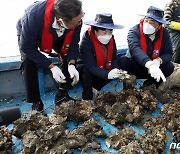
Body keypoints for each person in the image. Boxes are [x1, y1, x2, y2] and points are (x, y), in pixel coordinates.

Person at [16, 0, 84, 111]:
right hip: (33, 33)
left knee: (70, 54)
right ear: (61, 20)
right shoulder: (33, 17)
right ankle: (36, 102)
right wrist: (51, 67)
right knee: (28, 61)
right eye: (77, 22)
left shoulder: (76, 16)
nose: (80, 23)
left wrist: (72, 63)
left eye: (81, 18)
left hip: (61, 32)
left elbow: (74, 43)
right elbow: (27, 47)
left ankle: (62, 95)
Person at [118, 6, 174, 87]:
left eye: (152, 22)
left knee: (169, 67)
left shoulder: (165, 33)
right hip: (137, 65)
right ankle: (128, 85)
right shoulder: (134, 31)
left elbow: (168, 53)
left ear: (159, 25)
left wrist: (158, 61)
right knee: (123, 61)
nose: (147, 24)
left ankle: (149, 86)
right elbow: (135, 49)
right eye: (146, 20)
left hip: (153, 69)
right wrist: (150, 64)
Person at [79, 13, 127, 101]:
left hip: (105, 70)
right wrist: (107, 74)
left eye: (110, 32)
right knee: (86, 70)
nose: (107, 35)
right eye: (104, 32)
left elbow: (113, 58)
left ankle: (125, 89)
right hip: (92, 72)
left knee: (124, 61)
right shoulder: (85, 43)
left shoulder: (111, 39)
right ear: (95, 30)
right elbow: (91, 66)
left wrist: (117, 70)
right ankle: (87, 98)